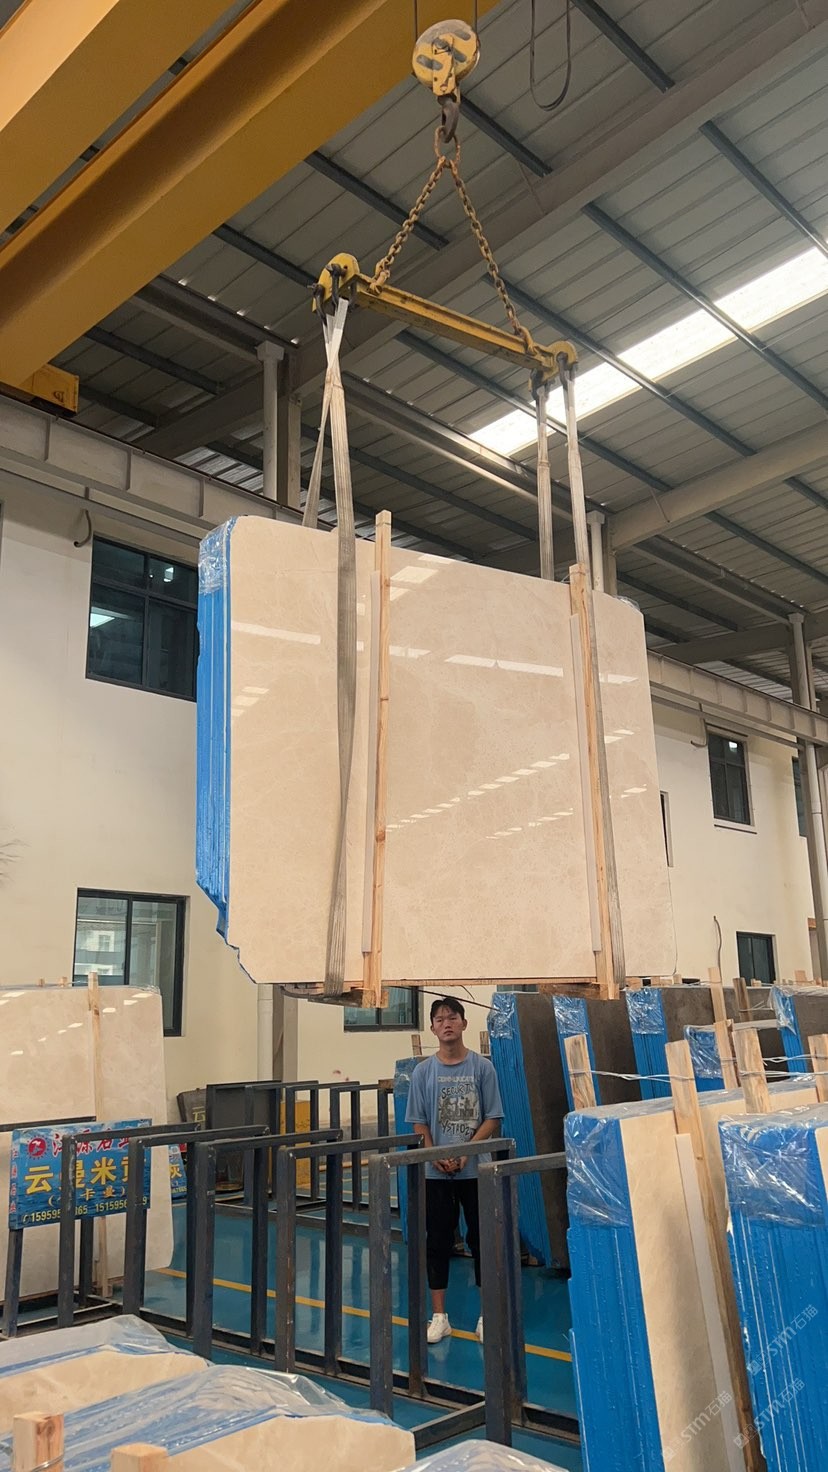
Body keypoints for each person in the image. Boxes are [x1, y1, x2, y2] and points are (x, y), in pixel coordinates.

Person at [405, 995, 504, 1344]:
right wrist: (434, 1155)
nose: (446, 1023)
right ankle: (439, 1317)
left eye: (452, 1017)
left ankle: (486, 1315)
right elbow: (418, 1123)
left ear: (463, 1023)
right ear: (432, 1028)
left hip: (476, 1171)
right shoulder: (423, 1073)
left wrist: (466, 1152)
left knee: (481, 1241)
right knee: (438, 1242)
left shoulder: (482, 1068)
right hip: (436, 1174)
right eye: (439, 1019)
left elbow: (493, 1117)